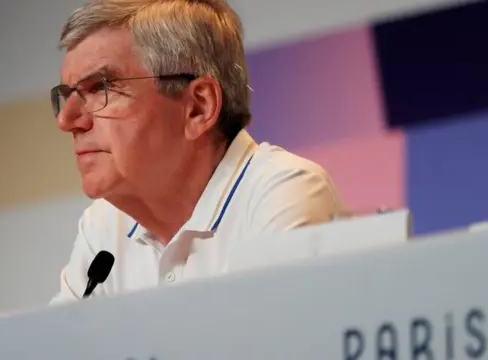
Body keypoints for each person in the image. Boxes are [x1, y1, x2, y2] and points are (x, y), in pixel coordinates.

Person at [49, 0, 349, 304]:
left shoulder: (282, 192)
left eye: (101, 88)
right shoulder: (103, 227)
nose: (66, 121)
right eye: (67, 96)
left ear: (197, 107)